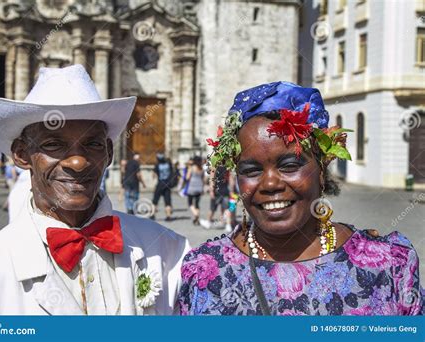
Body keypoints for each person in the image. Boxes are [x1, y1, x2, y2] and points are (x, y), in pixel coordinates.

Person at [0, 64, 190, 315]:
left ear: (108, 152)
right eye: (54, 144)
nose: (77, 162)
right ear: (22, 155)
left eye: (93, 144)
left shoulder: (169, 253)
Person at [178, 82, 423, 315]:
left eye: (290, 165)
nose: (270, 184)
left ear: (322, 169)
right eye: (251, 170)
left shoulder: (387, 264)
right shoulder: (204, 270)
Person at [152, 153, 173, 221]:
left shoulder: (157, 165)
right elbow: (172, 172)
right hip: (167, 184)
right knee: (167, 201)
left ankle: (153, 215)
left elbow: (154, 175)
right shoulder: (168, 164)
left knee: (155, 200)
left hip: (160, 184)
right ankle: (168, 216)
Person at [185, 156, 204, 225]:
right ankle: (197, 220)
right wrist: (202, 188)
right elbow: (203, 179)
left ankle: (196, 214)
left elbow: (187, 177)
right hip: (199, 187)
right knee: (197, 204)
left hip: (192, 187)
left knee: (190, 203)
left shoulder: (191, 168)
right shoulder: (201, 168)